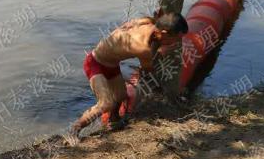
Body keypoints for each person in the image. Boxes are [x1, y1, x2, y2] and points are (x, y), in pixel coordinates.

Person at [70, 10, 188, 138]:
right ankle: (74, 129)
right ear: (164, 34)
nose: (176, 43)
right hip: (95, 63)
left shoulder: (148, 23)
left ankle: (113, 121)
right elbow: (148, 70)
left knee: (121, 96)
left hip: (112, 64)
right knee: (105, 103)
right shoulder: (143, 48)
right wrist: (161, 52)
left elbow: (134, 24)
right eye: (176, 40)